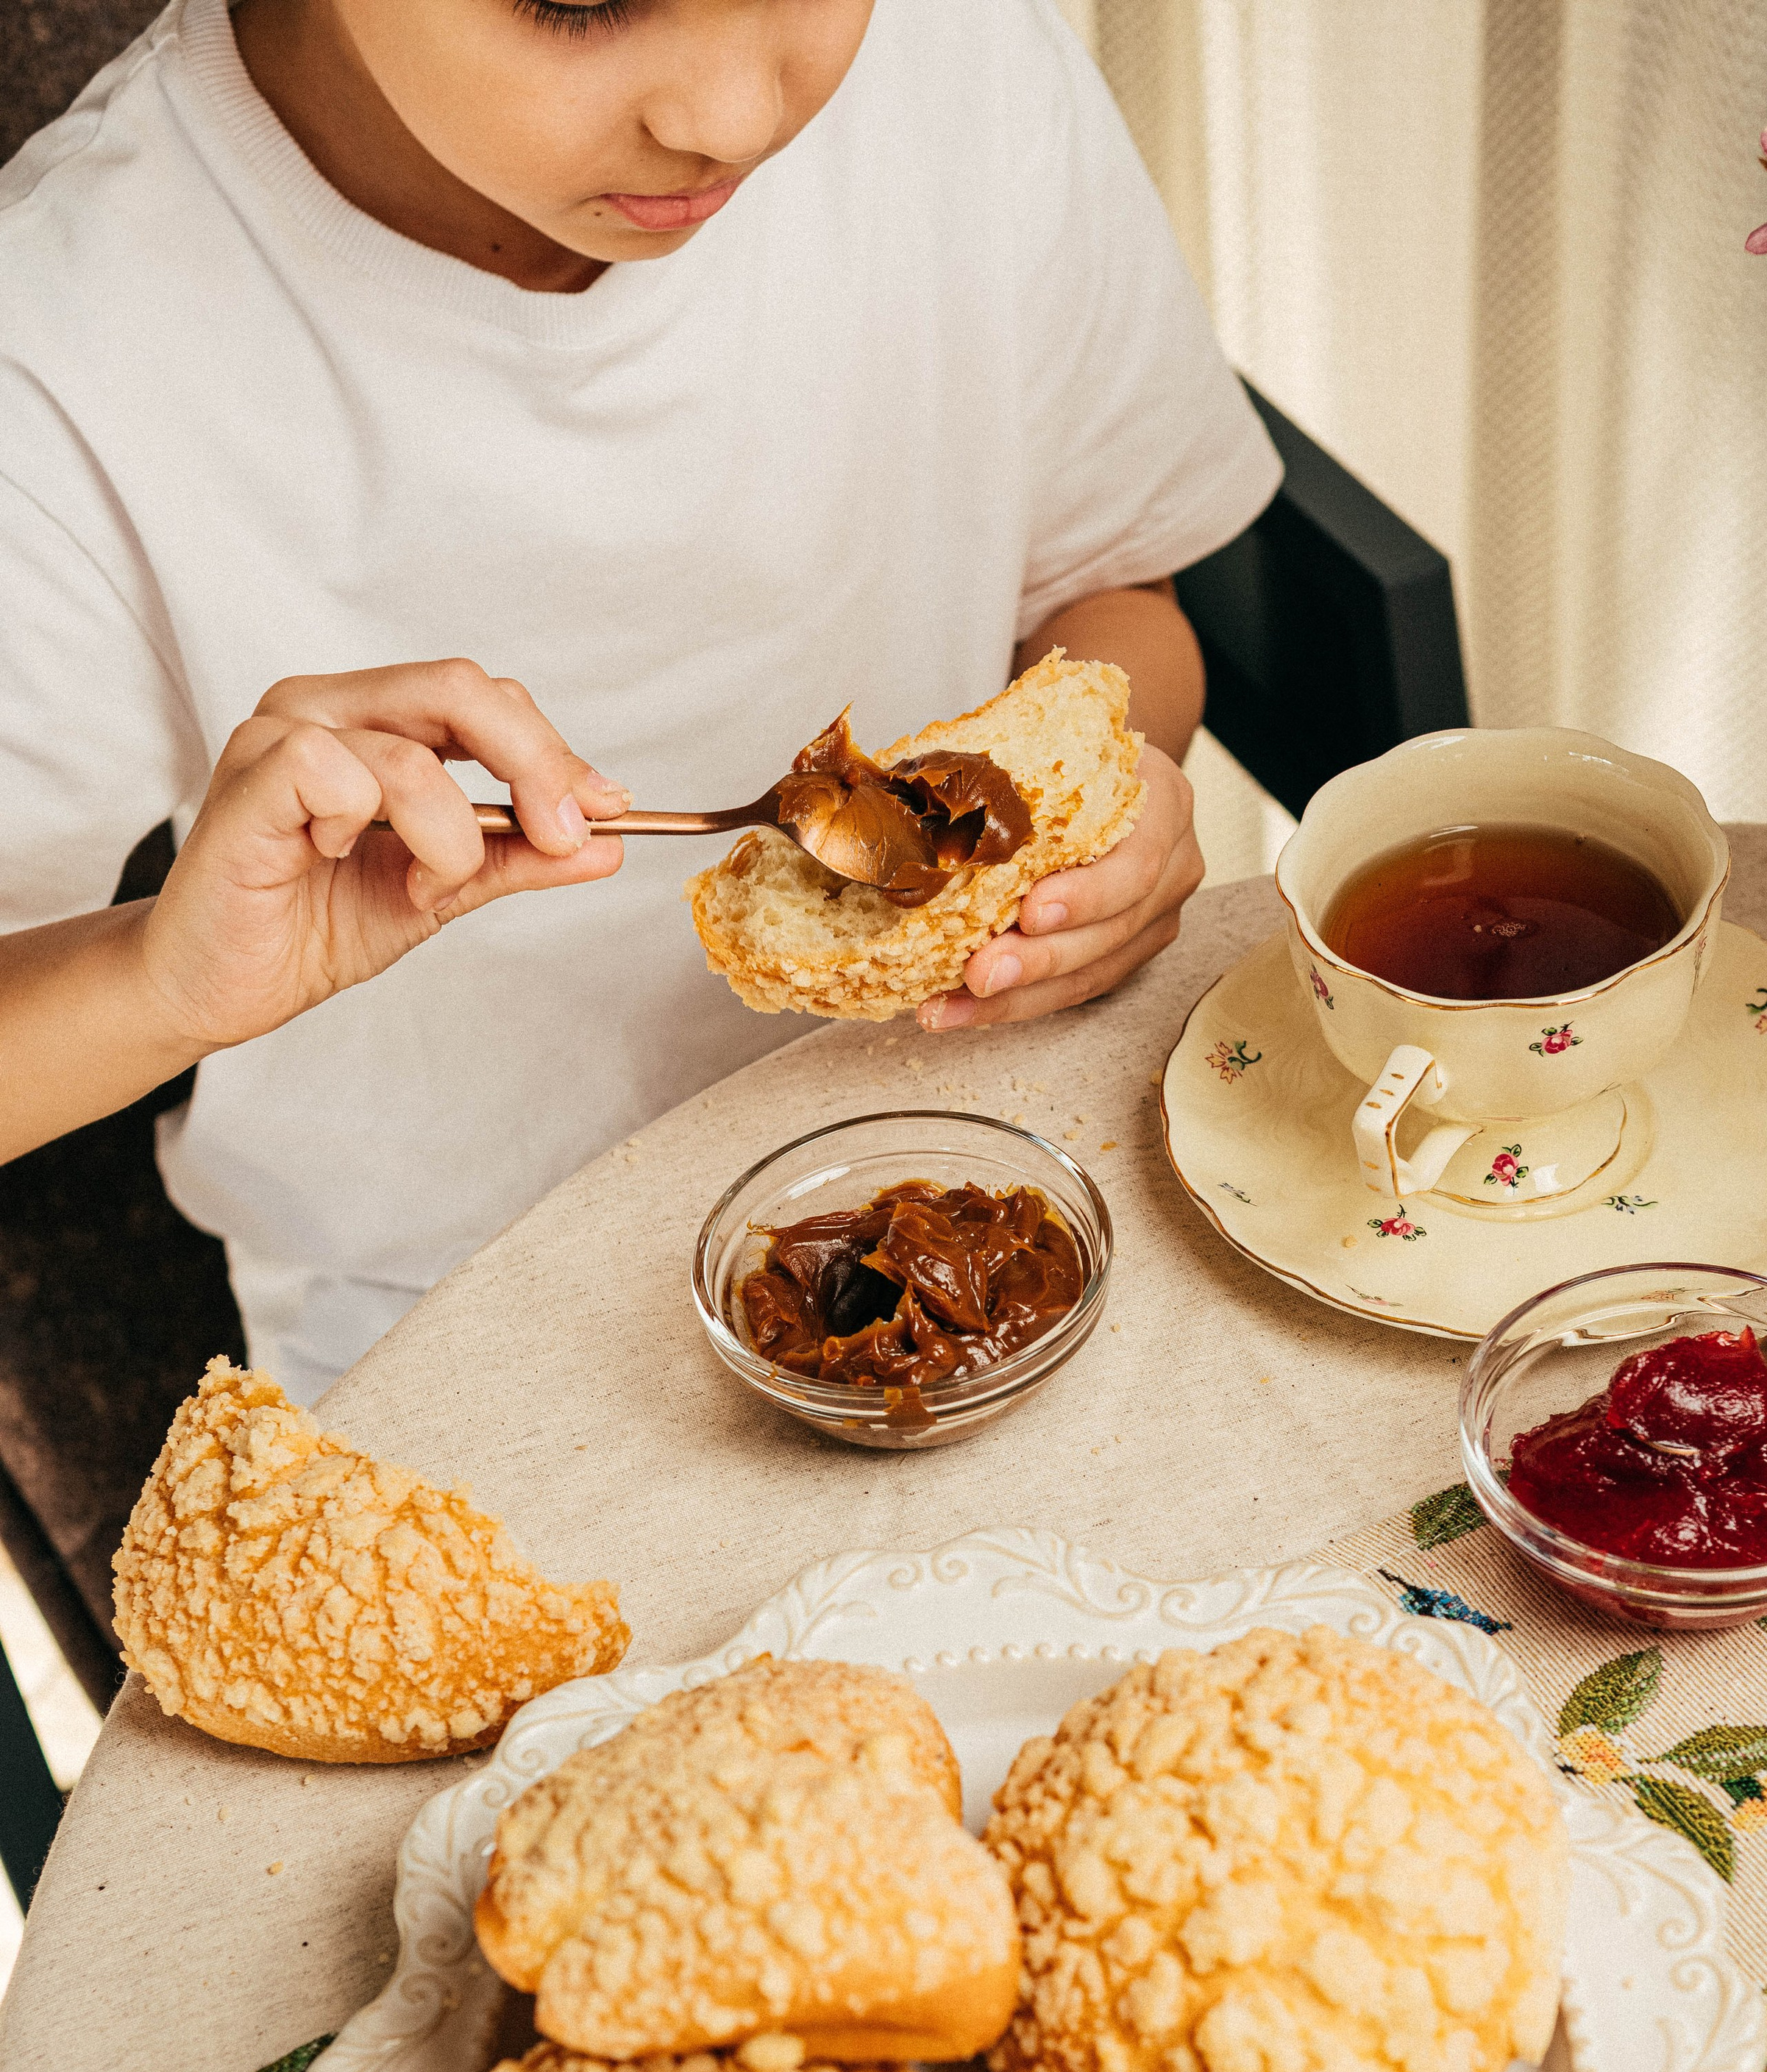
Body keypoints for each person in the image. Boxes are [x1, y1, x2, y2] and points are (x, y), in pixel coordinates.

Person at [0, 0, 1278, 1402]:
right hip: (462, 1314)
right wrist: (159, 985)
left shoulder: (964, 60)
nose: (731, 116)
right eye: (579, 0)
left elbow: (1118, 607)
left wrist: (1113, 808)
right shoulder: (61, 346)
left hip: (1011, 1132)